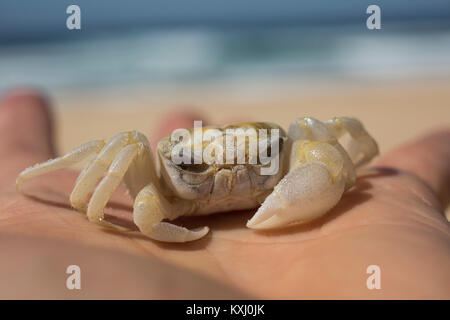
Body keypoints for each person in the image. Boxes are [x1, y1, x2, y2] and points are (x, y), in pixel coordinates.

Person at [0, 89, 448, 299]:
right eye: (198, 166)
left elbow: (338, 154)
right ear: (174, 162)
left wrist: (349, 168)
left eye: (259, 155)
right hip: (179, 203)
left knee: (316, 132)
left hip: (281, 191)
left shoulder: (295, 147)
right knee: (124, 142)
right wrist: (88, 206)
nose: (230, 175)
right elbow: (127, 194)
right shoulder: (158, 193)